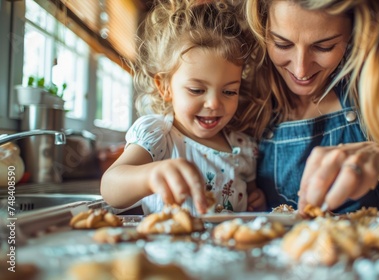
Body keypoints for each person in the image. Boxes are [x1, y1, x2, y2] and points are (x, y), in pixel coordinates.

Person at [241, 0, 379, 215]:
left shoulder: (371, 96)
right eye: (282, 44)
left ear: (353, 35)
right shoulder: (240, 96)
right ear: (262, 29)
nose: (301, 70)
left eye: (324, 47)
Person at [100, 0, 266, 215]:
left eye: (229, 91)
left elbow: (250, 198)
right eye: (197, 90)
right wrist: (151, 175)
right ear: (165, 87)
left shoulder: (243, 147)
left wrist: (256, 201)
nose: (214, 103)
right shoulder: (159, 136)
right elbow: (110, 189)